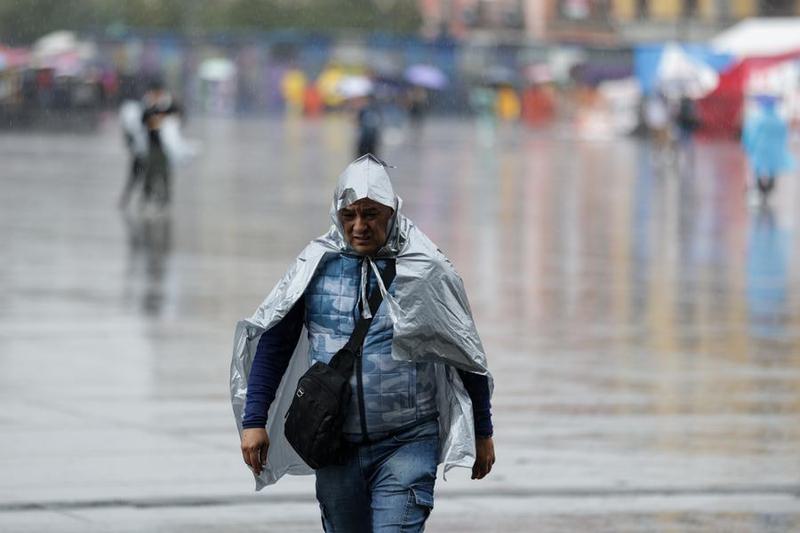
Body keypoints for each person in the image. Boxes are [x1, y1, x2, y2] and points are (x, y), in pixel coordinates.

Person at [231, 154, 495, 532]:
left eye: (371, 214)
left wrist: (483, 432)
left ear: (392, 212)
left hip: (408, 440)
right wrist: (254, 421)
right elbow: (275, 344)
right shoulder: (314, 266)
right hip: (334, 444)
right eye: (349, 215)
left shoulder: (424, 268)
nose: (359, 226)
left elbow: (466, 354)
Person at [741, 95, 796, 203]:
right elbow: (784, 135)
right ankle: (767, 190)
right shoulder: (779, 120)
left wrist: (747, 146)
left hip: (759, 151)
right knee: (771, 171)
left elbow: (749, 134)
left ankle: (759, 190)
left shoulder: (756, 119)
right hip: (773, 151)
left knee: (757, 170)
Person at [140, 78, 181, 208]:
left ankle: (165, 197)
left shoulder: (168, 104)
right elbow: (143, 120)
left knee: (164, 172)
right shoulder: (148, 104)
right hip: (153, 144)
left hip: (166, 146)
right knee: (150, 171)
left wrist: (166, 119)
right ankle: (146, 196)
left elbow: (179, 115)